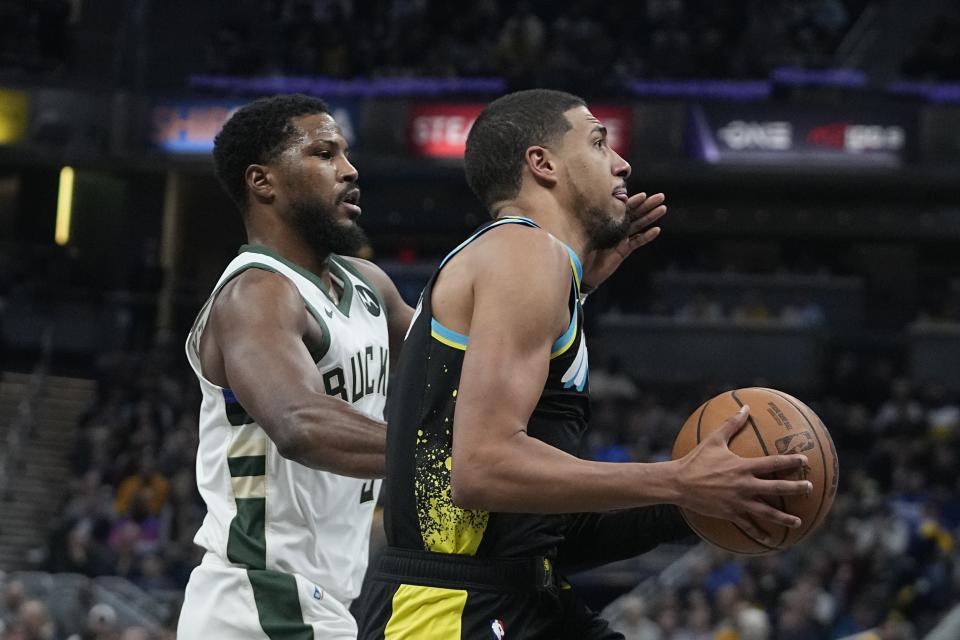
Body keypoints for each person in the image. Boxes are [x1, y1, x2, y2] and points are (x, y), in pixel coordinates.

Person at [357, 89, 813, 639]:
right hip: (453, 610)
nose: (621, 163)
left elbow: (542, 535)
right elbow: (480, 470)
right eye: (599, 142)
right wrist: (675, 480)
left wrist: (697, 501)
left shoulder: (543, 272)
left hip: (512, 593)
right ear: (542, 164)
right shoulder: (524, 253)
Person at [176, 94, 413, 638]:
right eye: (324, 154)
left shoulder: (367, 283)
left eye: (345, 154)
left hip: (311, 602)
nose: (349, 170)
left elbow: (453, 362)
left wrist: (569, 279)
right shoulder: (256, 293)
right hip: (262, 598)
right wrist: (446, 457)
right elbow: (299, 423)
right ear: (263, 182)